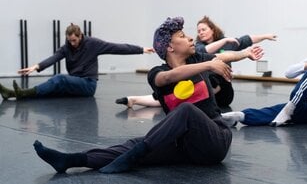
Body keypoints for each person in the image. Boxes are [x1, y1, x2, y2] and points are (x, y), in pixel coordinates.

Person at [33, 16, 264, 174]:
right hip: (185, 146)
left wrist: (245, 53)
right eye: (183, 36)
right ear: (170, 48)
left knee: (185, 111)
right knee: (131, 144)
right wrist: (208, 67)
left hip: (216, 141)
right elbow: (169, 78)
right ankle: (72, 160)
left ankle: (136, 154)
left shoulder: (198, 59)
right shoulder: (158, 73)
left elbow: (224, 57)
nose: (191, 38)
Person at [115, 16, 276, 108]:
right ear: (170, 47)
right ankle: (134, 99)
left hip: (219, 90)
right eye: (198, 30)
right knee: (173, 93)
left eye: (203, 29)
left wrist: (250, 49)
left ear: (212, 29)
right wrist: (212, 62)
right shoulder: (197, 49)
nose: (197, 34)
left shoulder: (212, 48)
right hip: (192, 90)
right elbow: (168, 77)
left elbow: (230, 51)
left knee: (209, 78)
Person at [0, 23, 154, 100]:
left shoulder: (93, 44)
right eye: (69, 40)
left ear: (80, 36)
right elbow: (54, 57)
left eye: (74, 40)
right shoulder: (67, 47)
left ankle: (22, 93)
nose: (72, 43)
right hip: (75, 82)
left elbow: (117, 47)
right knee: (51, 92)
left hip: (88, 85)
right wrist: (36, 66)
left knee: (59, 79)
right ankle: (13, 94)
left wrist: (141, 49)